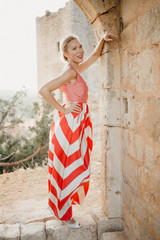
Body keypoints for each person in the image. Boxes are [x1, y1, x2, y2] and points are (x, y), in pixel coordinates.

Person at [39, 30, 118, 229]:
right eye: (74, 48)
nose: (80, 50)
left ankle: (58, 207)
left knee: (70, 166)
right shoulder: (70, 72)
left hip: (76, 122)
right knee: (70, 167)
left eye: (80, 46)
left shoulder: (76, 69)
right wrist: (63, 109)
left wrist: (101, 39)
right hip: (71, 124)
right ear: (65, 54)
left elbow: (94, 56)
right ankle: (65, 215)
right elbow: (43, 90)